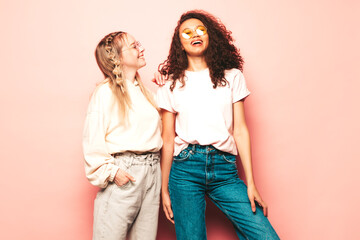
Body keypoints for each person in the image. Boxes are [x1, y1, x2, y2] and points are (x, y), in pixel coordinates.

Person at [155, 10, 280, 240]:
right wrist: (163, 189)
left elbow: (240, 130)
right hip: (184, 171)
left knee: (265, 236)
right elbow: (167, 139)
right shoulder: (169, 84)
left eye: (201, 29)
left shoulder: (232, 77)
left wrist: (251, 183)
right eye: (187, 32)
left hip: (224, 168)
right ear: (180, 44)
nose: (195, 34)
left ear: (210, 36)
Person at [83, 31, 162, 240]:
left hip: (153, 173)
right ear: (117, 58)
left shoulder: (145, 92)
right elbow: (93, 141)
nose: (141, 48)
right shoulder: (105, 92)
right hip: (126, 172)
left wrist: (166, 87)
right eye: (134, 46)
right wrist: (112, 172)